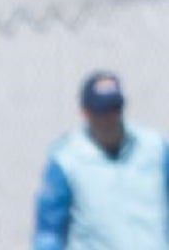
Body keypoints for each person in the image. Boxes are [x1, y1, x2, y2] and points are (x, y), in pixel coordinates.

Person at [33, 71, 169, 250]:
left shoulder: (155, 149)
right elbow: (50, 232)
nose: (110, 119)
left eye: (115, 109)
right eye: (102, 111)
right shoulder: (67, 160)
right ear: (86, 113)